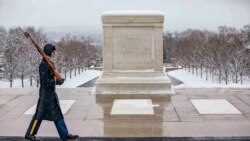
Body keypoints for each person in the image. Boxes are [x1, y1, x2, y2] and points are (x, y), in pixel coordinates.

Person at [25, 44, 79, 141]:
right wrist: (56, 81)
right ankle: (29, 134)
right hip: (45, 96)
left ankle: (65, 135)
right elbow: (44, 82)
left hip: (51, 95)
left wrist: (56, 80)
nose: (55, 53)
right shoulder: (43, 65)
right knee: (38, 116)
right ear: (49, 52)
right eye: (53, 51)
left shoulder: (49, 63)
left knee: (57, 115)